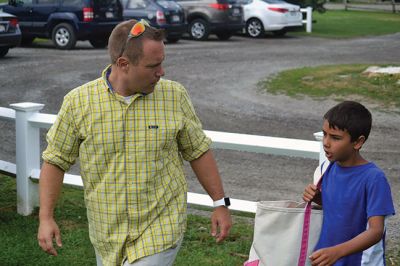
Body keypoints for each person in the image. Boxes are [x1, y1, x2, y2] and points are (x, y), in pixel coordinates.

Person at [37, 19, 232, 266]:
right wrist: (46, 217)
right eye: (154, 65)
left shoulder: (174, 96)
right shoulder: (78, 103)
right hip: (106, 234)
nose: (161, 72)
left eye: (162, 62)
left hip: (162, 226)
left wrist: (220, 203)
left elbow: (198, 151)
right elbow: (55, 161)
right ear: (123, 64)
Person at [303, 101, 395, 266]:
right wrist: (318, 198)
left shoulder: (374, 178)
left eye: (335, 138)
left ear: (358, 142)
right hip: (325, 259)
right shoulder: (326, 169)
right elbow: (343, 211)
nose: (326, 142)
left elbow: (375, 231)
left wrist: (337, 252)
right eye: (325, 134)